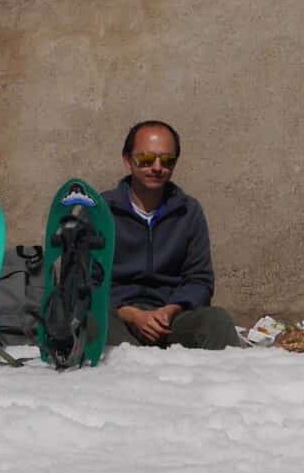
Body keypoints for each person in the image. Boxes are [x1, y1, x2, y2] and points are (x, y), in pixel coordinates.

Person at [102, 120, 242, 349]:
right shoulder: (101, 211)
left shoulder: (188, 211)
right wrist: (133, 315)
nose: (157, 167)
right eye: (146, 159)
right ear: (127, 161)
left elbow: (200, 280)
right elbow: (85, 283)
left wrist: (171, 310)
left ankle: (220, 383)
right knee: (91, 320)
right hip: (118, 317)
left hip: (170, 320)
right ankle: (133, 366)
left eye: (167, 160)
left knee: (217, 320)